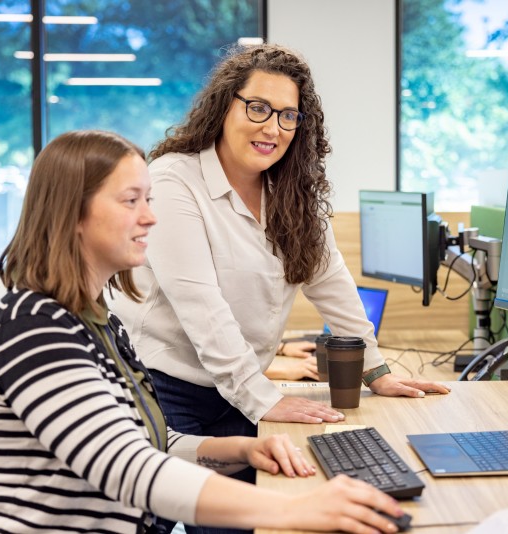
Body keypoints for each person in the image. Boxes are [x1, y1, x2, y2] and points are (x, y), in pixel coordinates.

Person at [0, 130, 408, 534]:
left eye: (148, 201)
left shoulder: (101, 325)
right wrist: (291, 510)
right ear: (72, 213)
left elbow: (149, 444)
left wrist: (246, 450)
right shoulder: (34, 331)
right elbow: (126, 467)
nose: (151, 218)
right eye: (132, 201)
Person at [110, 44, 450, 531]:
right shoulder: (173, 181)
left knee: (243, 525)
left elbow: (331, 282)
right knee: (147, 521)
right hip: (169, 390)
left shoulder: (290, 192)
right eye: (258, 108)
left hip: (239, 389)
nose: (273, 127)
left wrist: (377, 371)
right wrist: (266, 401)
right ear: (223, 105)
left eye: (289, 115)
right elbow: (203, 309)